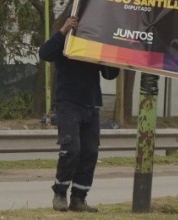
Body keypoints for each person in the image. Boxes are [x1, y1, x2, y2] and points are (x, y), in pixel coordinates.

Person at [39, 16, 120, 212]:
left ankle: (79, 198)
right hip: (68, 103)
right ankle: (60, 193)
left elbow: (110, 74)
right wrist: (63, 30)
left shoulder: (95, 42)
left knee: (90, 153)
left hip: (92, 104)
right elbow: (45, 53)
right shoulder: (65, 40)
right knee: (71, 150)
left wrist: (111, 50)